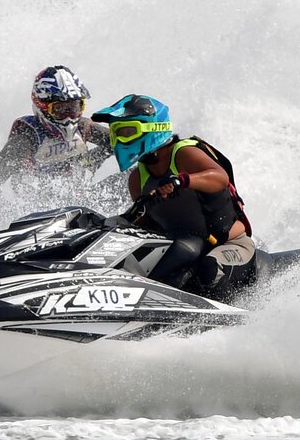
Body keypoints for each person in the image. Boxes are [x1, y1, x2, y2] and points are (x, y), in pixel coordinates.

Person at [90, 94, 256, 300]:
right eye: (116, 134)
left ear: (153, 128)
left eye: (126, 132)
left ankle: (233, 327)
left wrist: (182, 181)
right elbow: (148, 223)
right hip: (184, 248)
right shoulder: (137, 178)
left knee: (209, 269)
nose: (119, 140)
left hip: (230, 246)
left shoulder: (183, 153)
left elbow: (219, 178)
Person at [0, 66, 113, 214]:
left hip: (83, 203)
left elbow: (122, 143)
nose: (69, 116)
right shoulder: (26, 138)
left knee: (134, 176)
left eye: (75, 107)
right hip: (39, 214)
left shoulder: (83, 127)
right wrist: (12, 214)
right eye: (60, 109)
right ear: (42, 107)